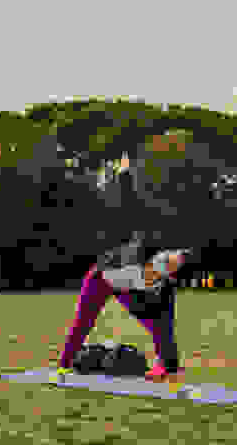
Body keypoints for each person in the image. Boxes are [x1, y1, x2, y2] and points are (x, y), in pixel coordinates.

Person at [56, 152, 193, 384]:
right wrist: (125, 174)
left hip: (127, 282)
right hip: (103, 276)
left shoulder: (163, 282)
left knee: (157, 323)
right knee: (83, 321)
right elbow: (129, 205)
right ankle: (64, 364)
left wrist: (171, 368)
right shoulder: (142, 238)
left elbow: (163, 323)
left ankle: (166, 366)